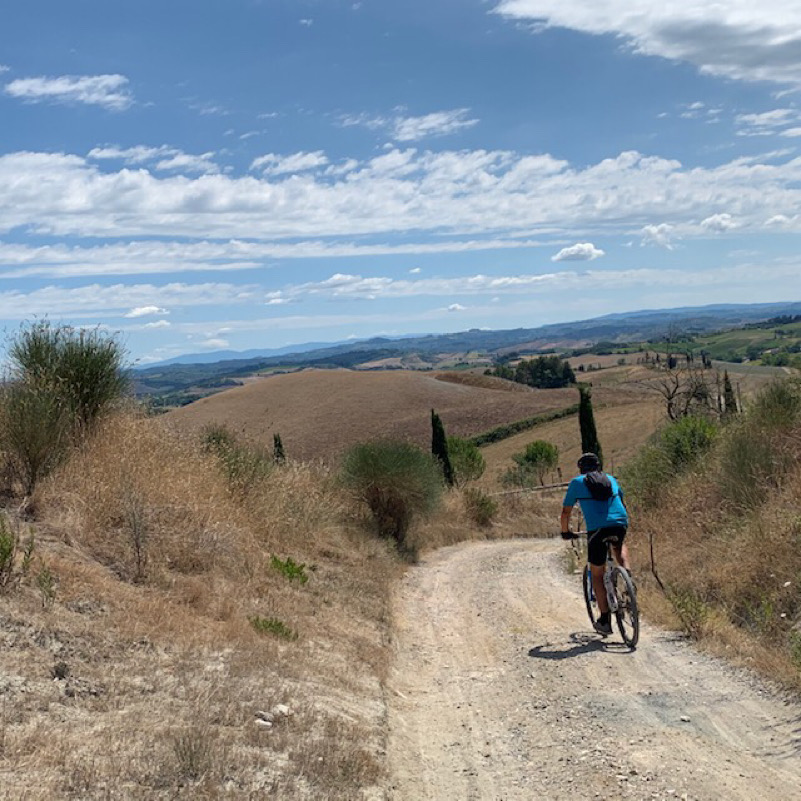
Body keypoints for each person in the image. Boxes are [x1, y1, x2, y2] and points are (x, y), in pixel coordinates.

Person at [560, 452, 630, 635]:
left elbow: (566, 512)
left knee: (597, 574)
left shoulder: (577, 482)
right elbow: (622, 501)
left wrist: (565, 531)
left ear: (581, 469)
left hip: (597, 529)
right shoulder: (611, 479)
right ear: (598, 466)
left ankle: (605, 620)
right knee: (619, 544)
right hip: (620, 522)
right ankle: (627, 576)